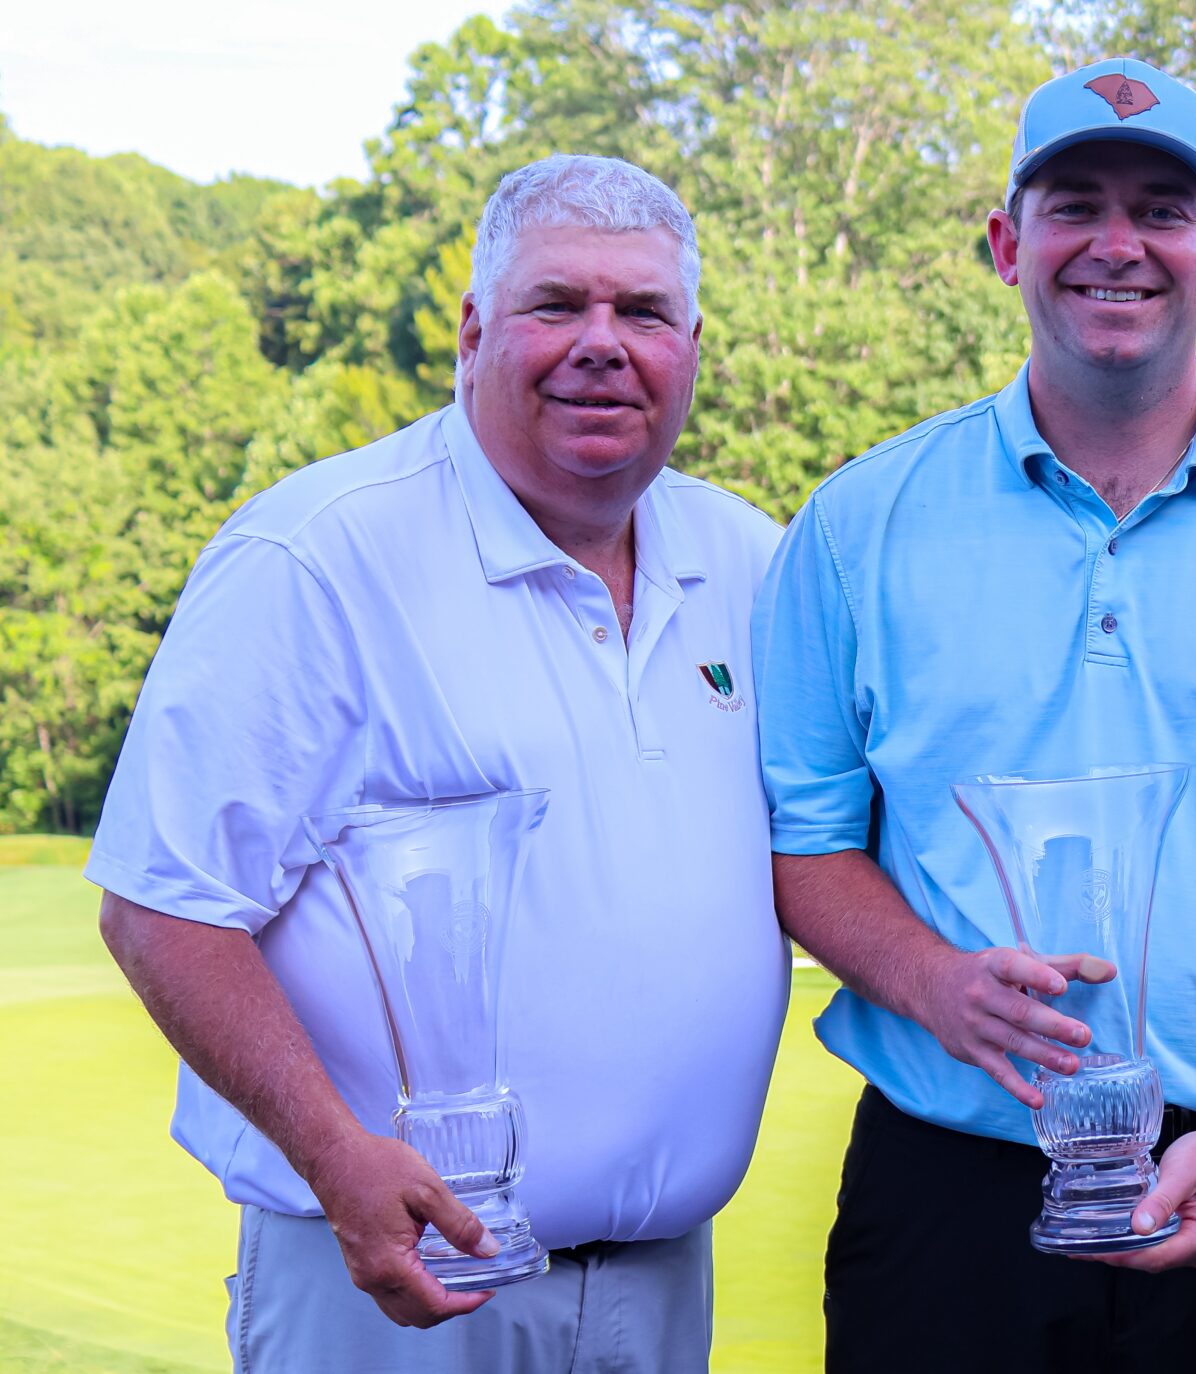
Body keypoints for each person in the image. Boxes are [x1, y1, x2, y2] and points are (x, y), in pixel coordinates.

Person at [751, 56, 1196, 1374]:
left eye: (1161, 207)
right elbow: (803, 843)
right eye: (1073, 201)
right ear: (1004, 243)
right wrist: (932, 983)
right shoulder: (861, 524)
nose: (1117, 244)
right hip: (944, 1191)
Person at [87, 154, 787, 1371]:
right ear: (473, 330)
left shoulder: (747, 559)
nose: (602, 344)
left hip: (663, 1289)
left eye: (644, 312)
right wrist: (335, 1157)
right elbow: (163, 908)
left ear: (693, 345)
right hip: (398, 1285)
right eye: (556, 305)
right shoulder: (316, 559)